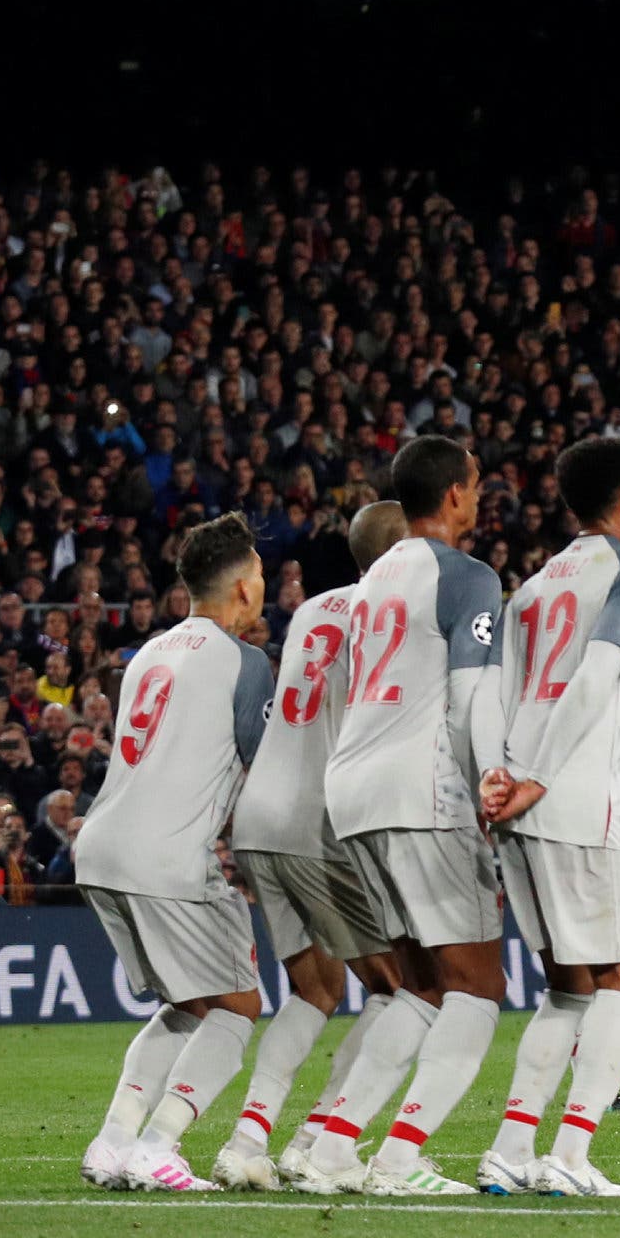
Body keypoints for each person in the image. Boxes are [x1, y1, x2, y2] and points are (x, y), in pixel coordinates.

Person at [474, 435, 620, 1198]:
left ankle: (510, 1149)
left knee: (568, 986)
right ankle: (571, 1153)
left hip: (521, 809)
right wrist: (535, 777)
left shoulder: (529, 589)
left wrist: (499, 776)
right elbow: (594, 679)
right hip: (585, 803)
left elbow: (495, 692)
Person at [304, 436, 505, 1196]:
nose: (479, 497)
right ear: (453, 493)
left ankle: (332, 1149)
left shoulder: (370, 582)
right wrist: (492, 787)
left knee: (419, 985)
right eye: (476, 484)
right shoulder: (467, 576)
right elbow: (469, 702)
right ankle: (397, 1159)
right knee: (477, 986)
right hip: (421, 791)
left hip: (354, 791)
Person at [213, 503, 413, 1192]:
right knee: (403, 988)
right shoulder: (393, 613)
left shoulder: (313, 610)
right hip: (318, 820)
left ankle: (247, 1143)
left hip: (259, 814)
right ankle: (321, 1142)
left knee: (317, 988)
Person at [72, 515, 274, 1194]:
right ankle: (159, 1145)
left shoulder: (149, 652)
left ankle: (114, 1141)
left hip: (102, 847)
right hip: (167, 859)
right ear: (243, 587)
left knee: (191, 1003)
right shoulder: (245, 662)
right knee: (239, 1005)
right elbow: (265, 769)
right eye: (261, 575)